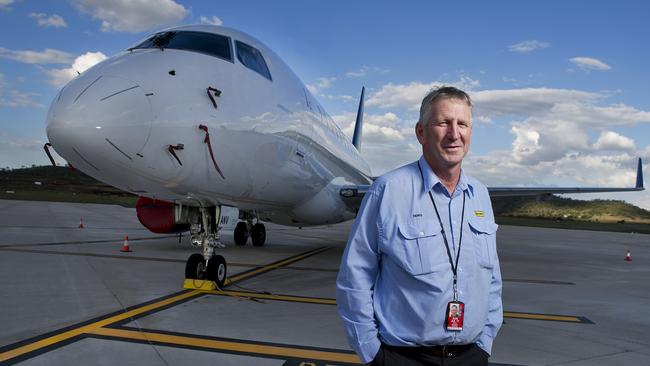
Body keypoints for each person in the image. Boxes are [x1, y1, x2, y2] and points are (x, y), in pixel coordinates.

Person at [336, 86, 502, 366]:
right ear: (421, 132)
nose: (454, 133)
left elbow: (492, 278)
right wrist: (374, 355)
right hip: (404, 358)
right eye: (443, 123)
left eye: (462, 124)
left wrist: (485, 342)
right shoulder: (387, 191)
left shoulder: (480, 194)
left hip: (471, 356)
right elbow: (355, 277)